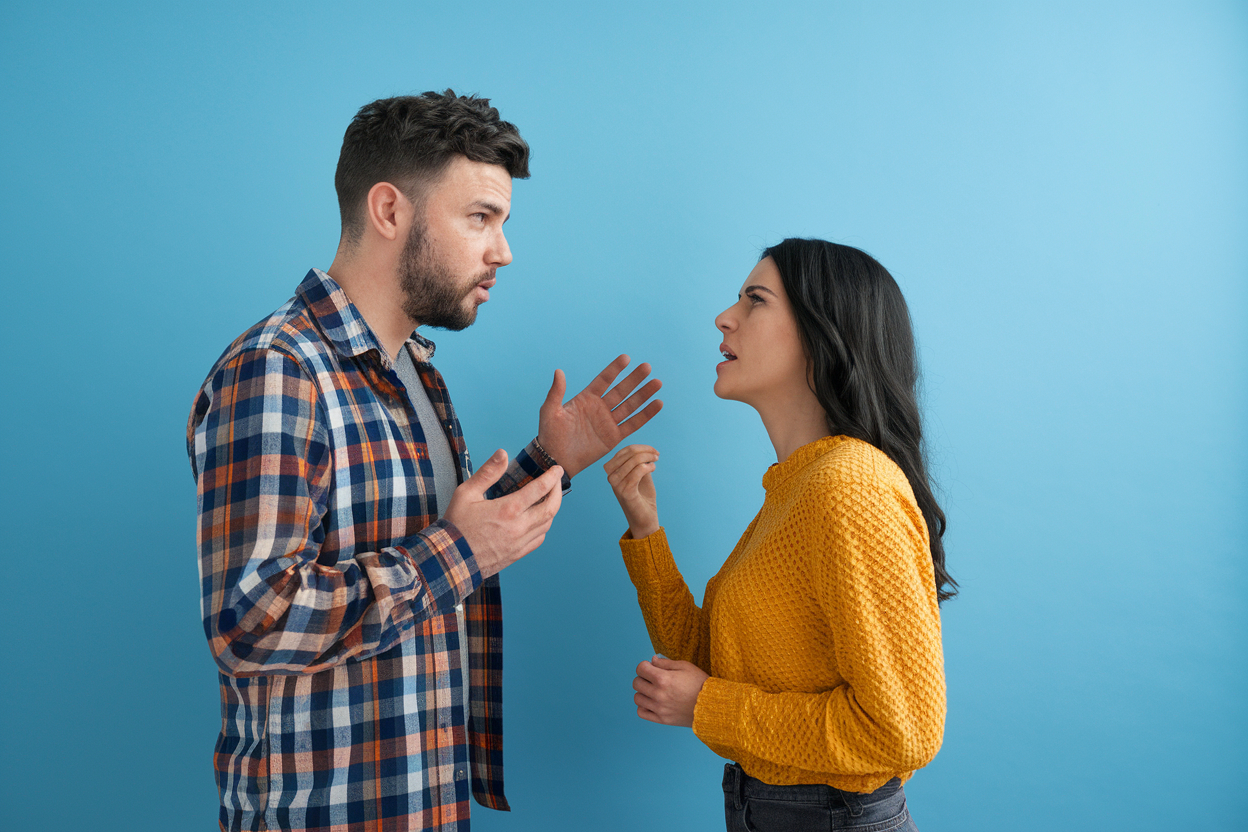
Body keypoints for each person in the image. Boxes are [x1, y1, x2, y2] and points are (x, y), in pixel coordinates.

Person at [187, 90, 662, 832]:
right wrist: (460, 554)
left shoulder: (416, 370)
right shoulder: (279, 370)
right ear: (389, 211)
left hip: (422, 805)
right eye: (480, 218)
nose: (503, 250)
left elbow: (430, 534)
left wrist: (551, 461)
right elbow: (253, 620)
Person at [605, 238, 953, 831]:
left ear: (822, 335)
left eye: (755, 299)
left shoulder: (847, 487)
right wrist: (646, 531)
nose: (724, 316)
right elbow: (703, 667)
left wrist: (708, 706)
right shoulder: (799, 486)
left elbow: (905, 733)